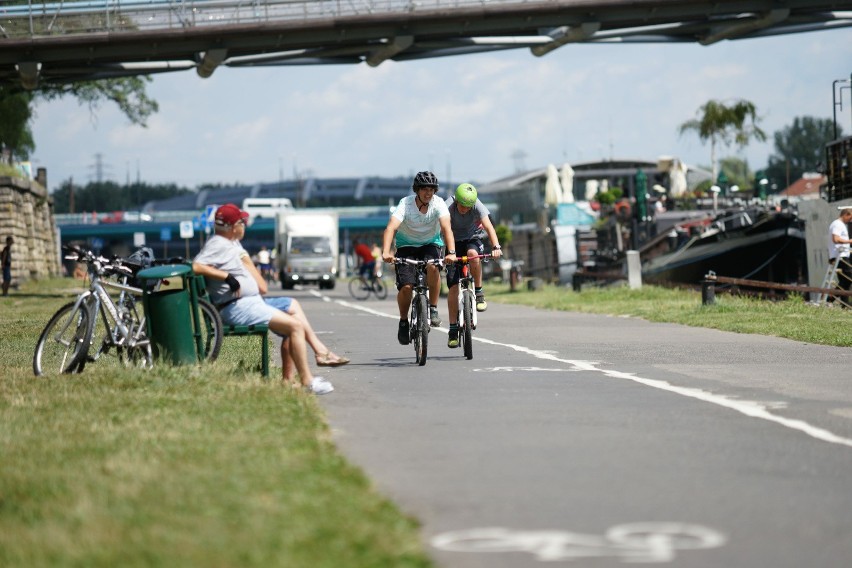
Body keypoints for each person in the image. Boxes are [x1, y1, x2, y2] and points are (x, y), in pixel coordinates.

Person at [192, 203, 338, 395]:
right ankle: (308, 381)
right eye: (241, 222)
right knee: (295, 326)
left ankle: (298, 374)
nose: (244, 225)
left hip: (247, 303)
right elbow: (195, 266)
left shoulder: (227, 243)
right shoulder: (218, 244)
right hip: (238, 307)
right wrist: (226, 277)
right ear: (232, 226)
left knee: (292, 309)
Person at [382, 171, 457, 345]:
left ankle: (433, 308)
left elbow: (447, 229)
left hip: (430, 244)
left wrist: (451, 252)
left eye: (431, 189)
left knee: (433, 266)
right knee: (407, 287)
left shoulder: (438, 204)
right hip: (406, 246)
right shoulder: (405, 204)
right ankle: (403, 321)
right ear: (417, 190)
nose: (428, 193)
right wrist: (386, 252)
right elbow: (391, 228)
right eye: (424, 189)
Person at [444, 183, 503, 348]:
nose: (464, 209)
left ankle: (479, 290)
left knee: (472, 255)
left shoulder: (477, 205)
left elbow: (488, 226)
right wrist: (447, 252)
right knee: (454, 287)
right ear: (456, 201)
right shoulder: (447, 206)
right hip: (452, 243)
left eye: (468, 207)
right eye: (462, 206)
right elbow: (441, 228)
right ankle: (453, 329)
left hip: (472, 238)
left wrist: (496, 247)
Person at [828, 205, 852, 306]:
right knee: (848, 278)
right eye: (850, 217)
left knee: (844, 281)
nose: (851, 220)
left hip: (842, 256)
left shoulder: (840, 224)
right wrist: (849, 241)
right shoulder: (837, 224)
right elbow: (836, 239)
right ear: (846, 214)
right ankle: (829, 298)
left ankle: (844, 304)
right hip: (840, 257)